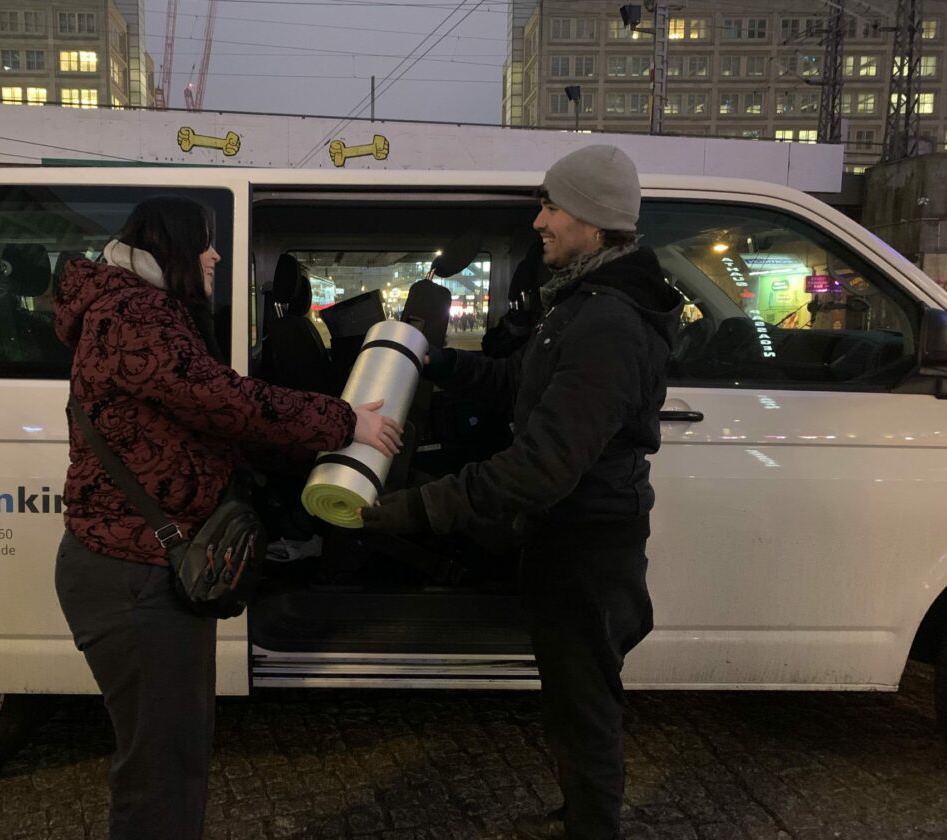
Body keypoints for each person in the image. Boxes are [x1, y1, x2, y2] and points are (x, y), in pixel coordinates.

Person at [52, 195, 402, 840]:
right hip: (135, 573)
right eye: (205, 242)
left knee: (172, 751)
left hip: (142, 563)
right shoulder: (135, 313)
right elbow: (221, 399)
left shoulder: (137, 307)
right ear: (173, 247)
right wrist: (346, 421)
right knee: (161, 765)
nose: (215, 254)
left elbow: (205, 412)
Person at [361, 145, 681, 840]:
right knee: (572, 699)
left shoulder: (607, 322)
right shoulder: (583, 304)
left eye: (551, 206)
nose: (539, 220)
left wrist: (410, 509)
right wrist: (433, 360)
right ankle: (578, 818)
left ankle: (591, 829)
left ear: (593, 222)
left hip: (586, 550)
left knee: (585, 705)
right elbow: (518, 383)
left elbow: (541, 466)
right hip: (564, 539)